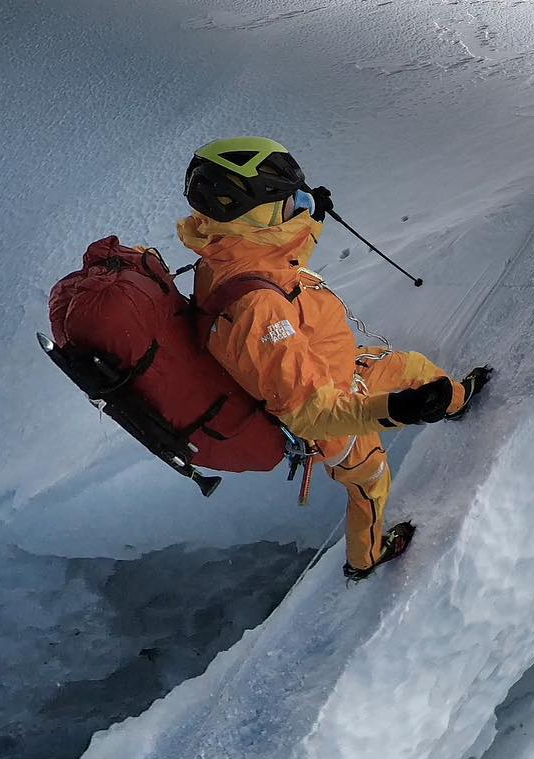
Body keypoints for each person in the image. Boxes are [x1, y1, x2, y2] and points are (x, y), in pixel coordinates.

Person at [179, 137, 491, 581]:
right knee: (370, 483)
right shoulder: (257, 314)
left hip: (337, 369)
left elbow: (279, 262)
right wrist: (396, 409)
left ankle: (456, 401)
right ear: (255, 216)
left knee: (416, 369)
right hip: (335, 417)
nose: (301, 207)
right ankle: (366, 560)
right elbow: (311, 413)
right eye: (291, 203)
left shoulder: (227, 253)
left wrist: (311, 219)